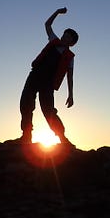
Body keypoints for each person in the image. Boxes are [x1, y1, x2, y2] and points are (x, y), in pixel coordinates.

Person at [19, 7, 79, 145]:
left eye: (68, 37)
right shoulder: (53, 41)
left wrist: (70, 95)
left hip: (48, 84)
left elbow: (70, 77)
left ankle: (62, 138)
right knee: (26, 104)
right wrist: (57, 12)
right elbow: (47, 25)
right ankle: (26, 135)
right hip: (35, 76)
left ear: (72, 43)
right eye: (64, 34)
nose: (64, 37)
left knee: (49, 111)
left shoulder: (70, 57)